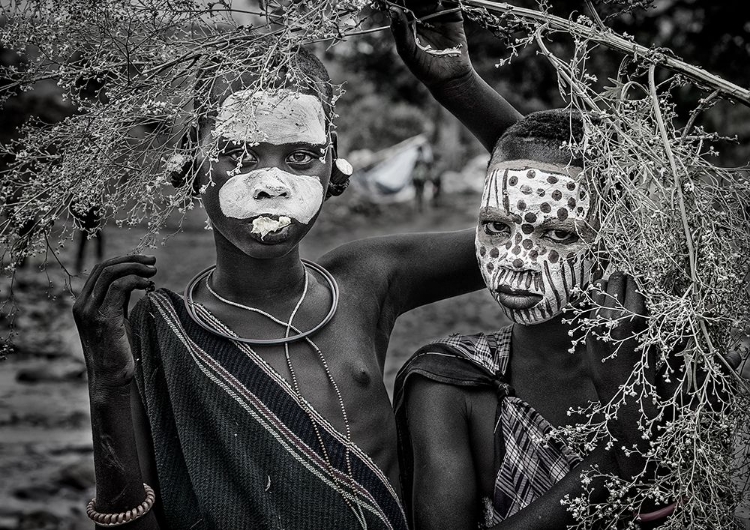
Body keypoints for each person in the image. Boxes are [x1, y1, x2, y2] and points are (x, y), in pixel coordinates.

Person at [72, 32, 521, 530]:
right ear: (191, 165)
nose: (271, 182)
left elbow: (565, 206)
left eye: (300, 157)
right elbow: (132, 522)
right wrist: (109, 383)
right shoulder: (160, 335)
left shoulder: (367, 280)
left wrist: (459, 84)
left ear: (333, 165)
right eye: (238, 155)